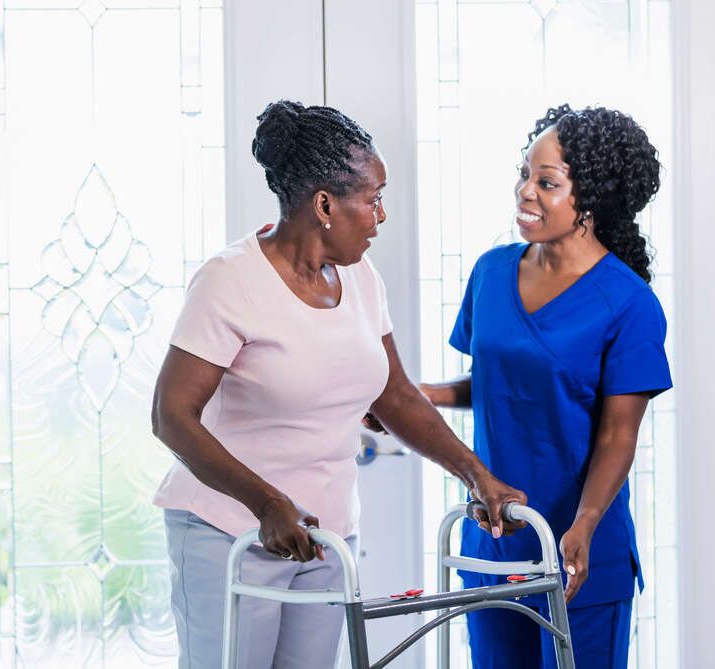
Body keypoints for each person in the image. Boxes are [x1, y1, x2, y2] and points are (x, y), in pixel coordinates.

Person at [151, 99, 524, 669]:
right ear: (324, 204)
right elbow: (171, 415)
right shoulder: (230, 281)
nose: (381, 216)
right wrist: (267, 503)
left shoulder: (361, 278)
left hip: (325, 541)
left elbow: (395, 396)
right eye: (372, 200)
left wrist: (477, 475)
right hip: (227, 532)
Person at [420, 104, 673, 669]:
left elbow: (616, 436)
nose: (525, 192)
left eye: (547, 182)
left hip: (578, 549)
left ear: (593, 202)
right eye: (525, 174)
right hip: (497, 541)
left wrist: (583, 524)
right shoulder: (491, 271)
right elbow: (498, 385)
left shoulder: (628, 303)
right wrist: (422, 397)